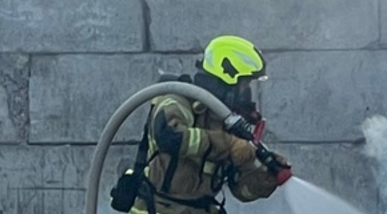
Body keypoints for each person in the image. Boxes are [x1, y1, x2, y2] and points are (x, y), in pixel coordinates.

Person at [124, 35, 291, 214]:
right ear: (227, 78)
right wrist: (229, 145)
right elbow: (170, 136)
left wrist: (265, 177)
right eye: (244, 84)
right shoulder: (178, 101)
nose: (247, 92)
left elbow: (240, 190)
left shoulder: (226, 124)